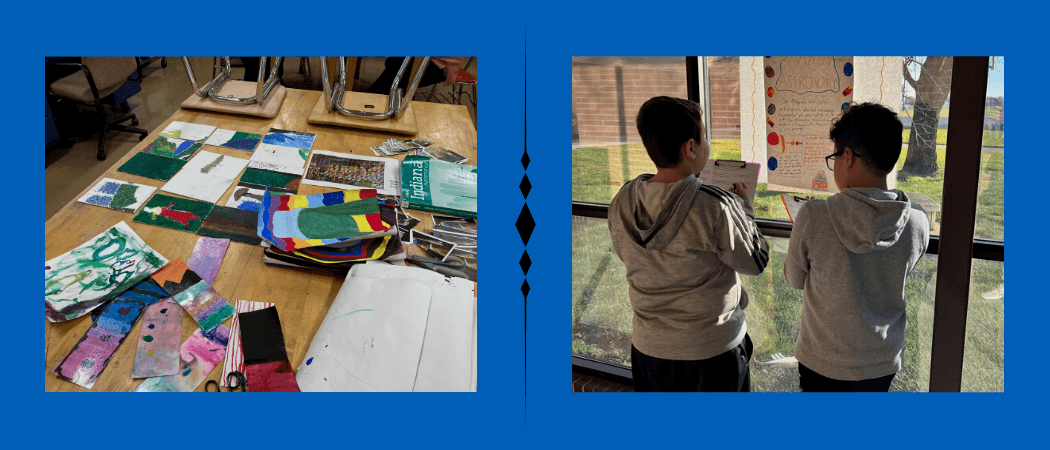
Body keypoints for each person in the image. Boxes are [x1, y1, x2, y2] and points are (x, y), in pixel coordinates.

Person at [608, 96, 769, 392]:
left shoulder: (624, 198)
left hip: (648, 349)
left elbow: (626, 253)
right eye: (705, 136)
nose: (708, 143)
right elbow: (755, 262)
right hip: (711, 351)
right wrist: (743, 207)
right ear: (690, 148)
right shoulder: (717, 204)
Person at [784, 102, 930, 392]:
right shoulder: (917, 222)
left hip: (822, 362)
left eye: (834, 156)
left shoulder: (814, 216)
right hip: (881, 361)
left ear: (847, 157)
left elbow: (794, 279)